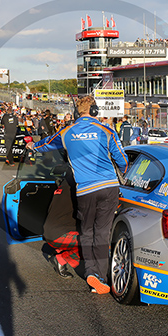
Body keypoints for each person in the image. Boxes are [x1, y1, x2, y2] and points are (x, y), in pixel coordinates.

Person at [26, 95, 128, 294]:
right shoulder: (106, 130)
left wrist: (31, 146)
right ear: (96, 111)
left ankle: (92, 274)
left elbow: (45, 144)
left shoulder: (66, 132)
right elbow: (122, 159)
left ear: (76, 113)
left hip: (85, 191)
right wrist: (123, 173)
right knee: (103, 233)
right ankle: (101, 276)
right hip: (108, 187)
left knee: (87, 232)